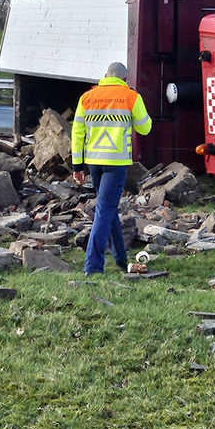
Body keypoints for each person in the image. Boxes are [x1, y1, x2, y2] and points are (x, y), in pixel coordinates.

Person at [71, 61, 152, 275]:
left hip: (93, 162)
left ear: (105, 75)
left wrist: (77, 165)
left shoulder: (86, 98)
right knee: (104, 210)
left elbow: (77, 133)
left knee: (108, 208)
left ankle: (120, 257)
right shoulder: (131, 97)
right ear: (124, 79)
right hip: (116, 163)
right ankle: (93, 266)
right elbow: (145, 128)